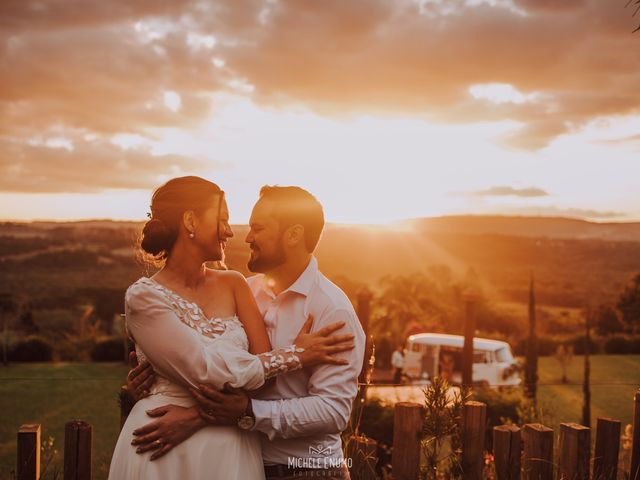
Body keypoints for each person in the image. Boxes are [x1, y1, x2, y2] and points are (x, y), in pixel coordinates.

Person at [108, 177, 356, 480]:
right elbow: (202, 368)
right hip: (223, 455)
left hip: (304, 470)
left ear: (293, 235)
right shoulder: (248, 290)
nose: (242, 235)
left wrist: (207, 416)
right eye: (226, 221)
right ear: (190, 221)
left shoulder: (332, 309)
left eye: (259, 228)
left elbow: (334, 411)